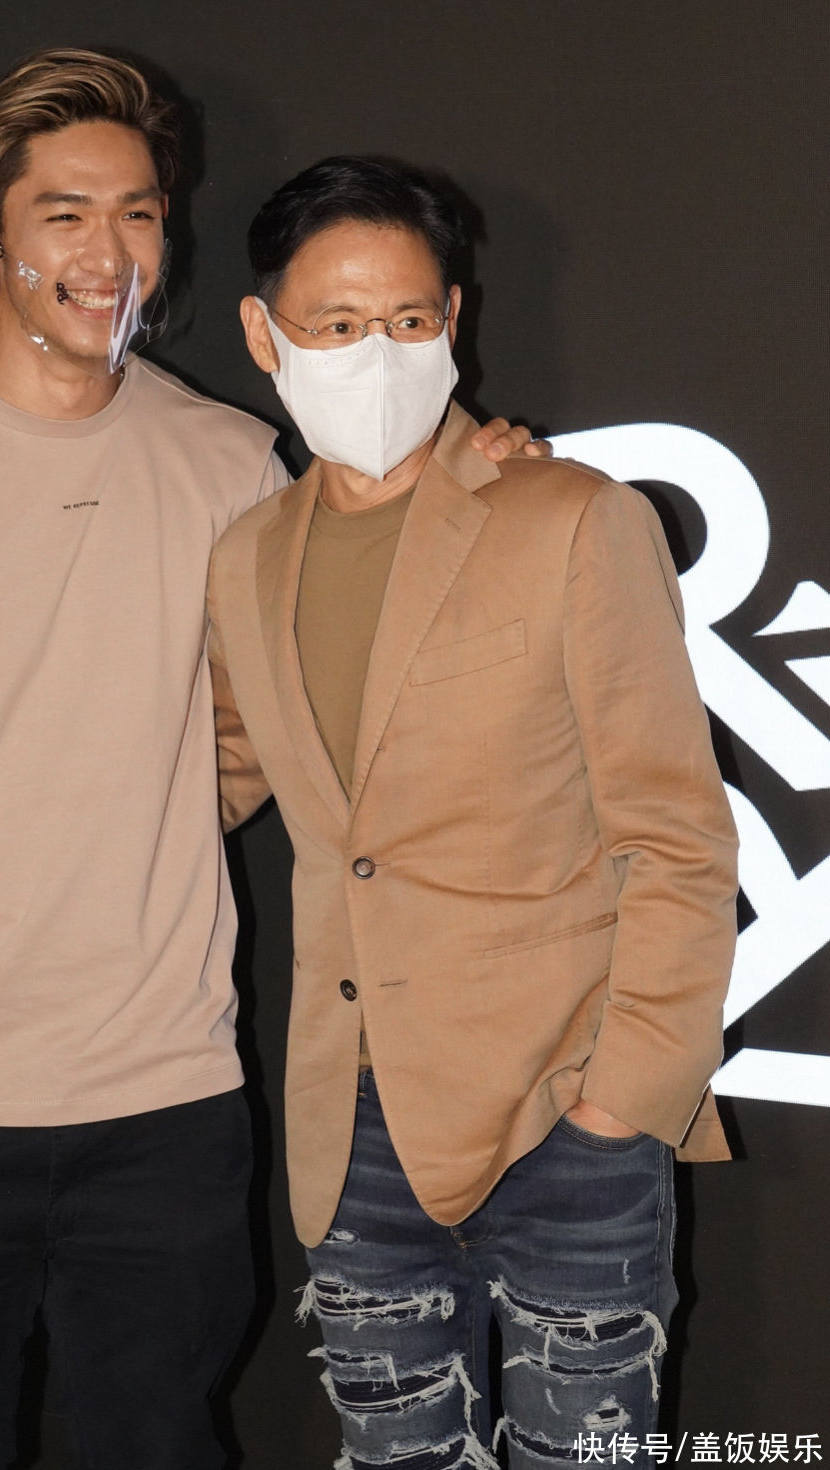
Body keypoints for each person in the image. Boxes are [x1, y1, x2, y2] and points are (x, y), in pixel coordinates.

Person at [0, 50, 537, 1469]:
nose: (109, 254)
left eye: (140, 214)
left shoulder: (235, 464)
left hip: (166, 1105)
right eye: (65, 214)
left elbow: (312, 666)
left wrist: (490, 468)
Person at [207, 156, 738, 1469]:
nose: (375, 355)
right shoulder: (246, 556)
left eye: (408, 320)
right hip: (351, 1133)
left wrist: (625, 1101)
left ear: (455, 318)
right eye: (336, 324)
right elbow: (222, 774)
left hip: (564, 1121)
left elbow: (675, 832)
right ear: (264, 334)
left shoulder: (571, 519)